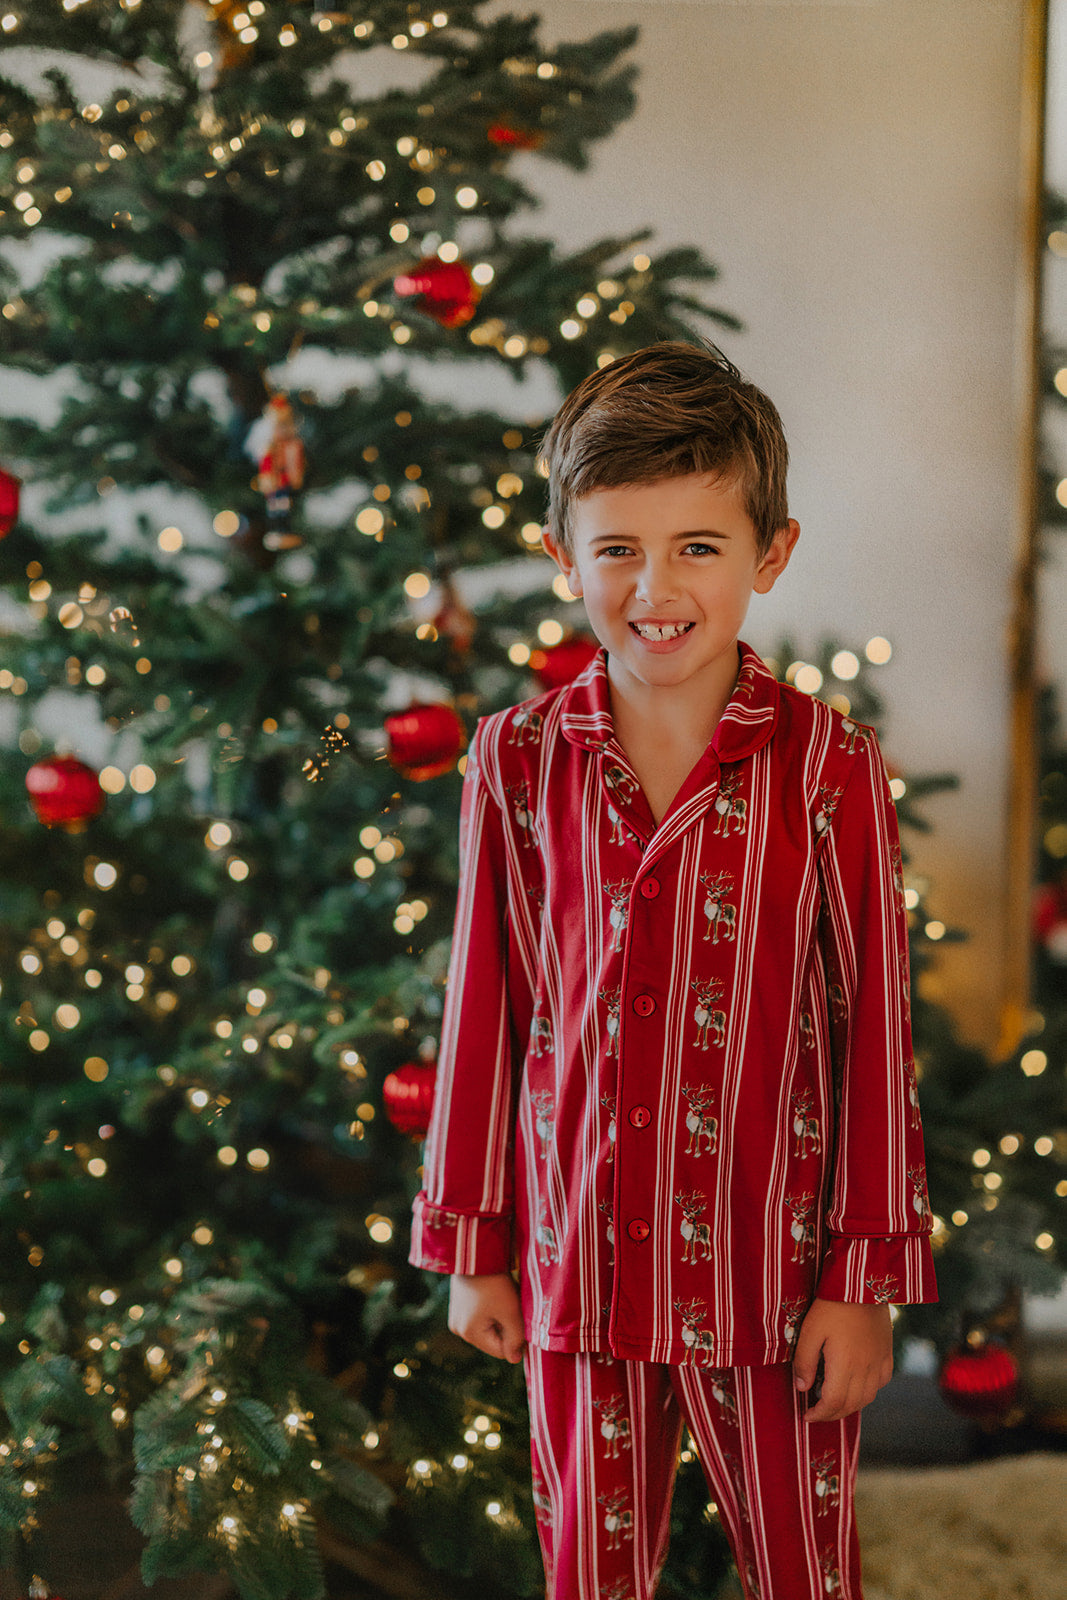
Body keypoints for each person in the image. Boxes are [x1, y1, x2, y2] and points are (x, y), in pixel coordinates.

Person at [409, 341, 937, 1599]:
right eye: (617, 549)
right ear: (562, 559)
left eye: (697, 545)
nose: (656, 586)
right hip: (577, 1266)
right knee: (589, 1577)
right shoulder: (513, 760)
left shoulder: (830, 767)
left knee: (805, 1576)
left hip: (774, 1278)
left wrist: (862, 1281)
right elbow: (485, 1006)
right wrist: (473, 1242)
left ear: (769, 554)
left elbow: (871, 1031)